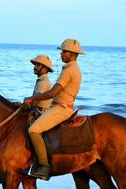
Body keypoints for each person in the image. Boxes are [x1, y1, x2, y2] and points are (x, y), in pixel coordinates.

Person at [24, 38, 85, 181]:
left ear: (72, 54)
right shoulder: (71, 68)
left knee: (33, 130)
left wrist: (31, 99)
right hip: (56, 106)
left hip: (61, 108)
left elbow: (52, 93)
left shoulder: (69, 70)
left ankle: (44, 167)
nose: (61, 54)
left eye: (64, 52)